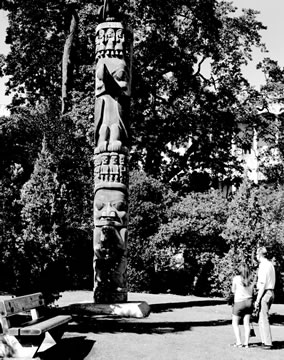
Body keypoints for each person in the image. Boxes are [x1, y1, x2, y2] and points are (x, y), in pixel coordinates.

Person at [255, 246, 276, 350]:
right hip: (271, 292)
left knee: (264, 318)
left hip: (265, 293)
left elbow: (262, 284)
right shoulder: (270, 265)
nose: (255, 256)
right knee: (261, 318)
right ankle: (264, 341)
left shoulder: (263, 266)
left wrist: (257, 299)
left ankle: (267, 342)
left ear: (259, 255)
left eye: (256, 254)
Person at [231, 263, 254, 348]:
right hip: (249, 302)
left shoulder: (236, 278)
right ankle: (246, 343)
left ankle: (238, 342)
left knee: (235, 322)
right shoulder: (251, 279)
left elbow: (233, 291)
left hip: (239, 302)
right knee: (246, 323)